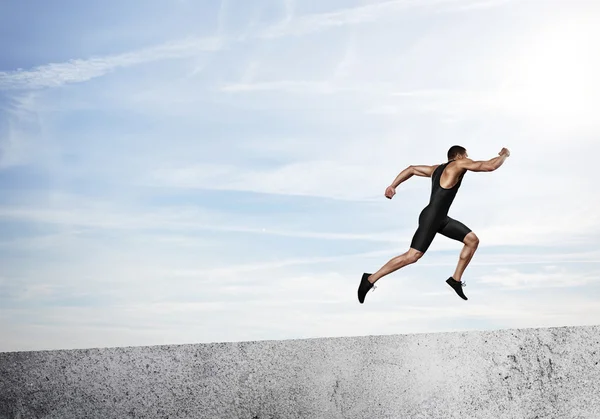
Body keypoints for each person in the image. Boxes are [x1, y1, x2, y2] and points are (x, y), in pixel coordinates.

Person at [358, 145, 510, 303]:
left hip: (441, 218)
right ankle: (369, 279)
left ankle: (455, 280)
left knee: (472, 241)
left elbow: (411, 169)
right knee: (412, 256)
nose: (467, 159)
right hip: (432, 217)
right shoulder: (459, 164)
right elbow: (490, 166)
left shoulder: (435, 169)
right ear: (459, 156)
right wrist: (504, 155)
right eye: (466, 156)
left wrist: (393, 185)